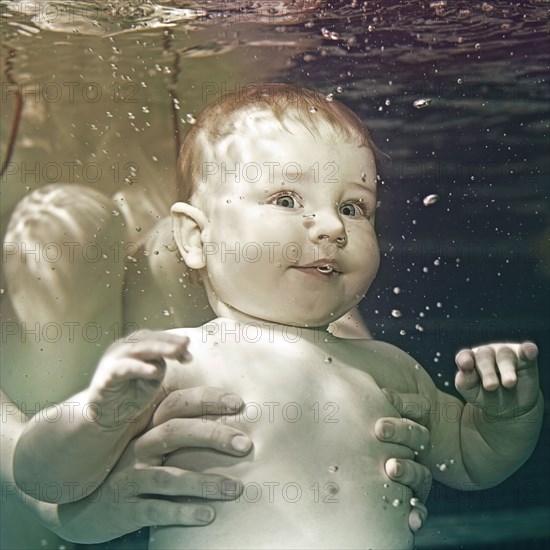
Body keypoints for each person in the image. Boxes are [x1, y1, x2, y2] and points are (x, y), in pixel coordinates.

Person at [13, 83, 543, 549]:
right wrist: (98, 416)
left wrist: (506, 414)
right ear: (198, 238)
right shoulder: (180, 359)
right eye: (287, 199)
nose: (331, 226)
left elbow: (474, 460)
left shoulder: (391, 368)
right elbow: (43, 478)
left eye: (354, 207)